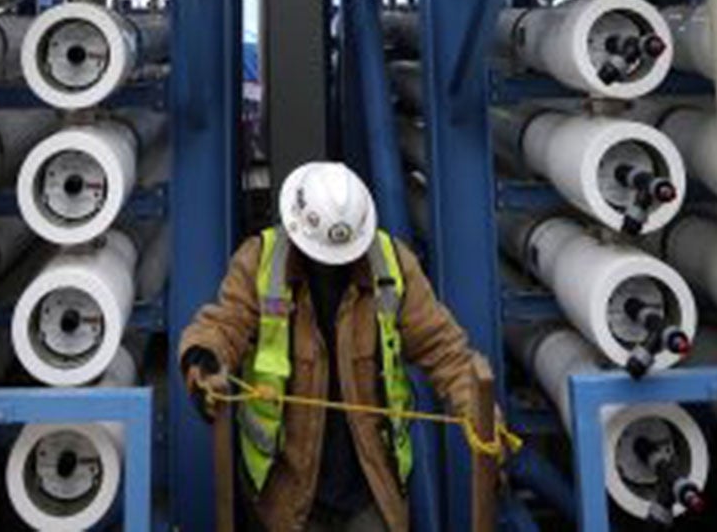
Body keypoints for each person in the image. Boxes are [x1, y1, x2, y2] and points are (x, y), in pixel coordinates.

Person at [179, 161, 490, 532]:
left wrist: (481, 412)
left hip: (371, 486)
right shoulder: (260, 262)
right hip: (287, 491)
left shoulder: (392, 266)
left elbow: (444, 350)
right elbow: (223, 324)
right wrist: (203, 359)